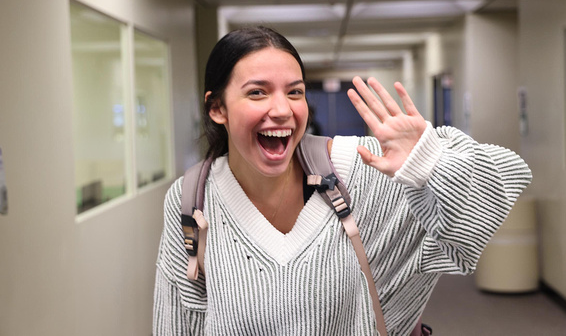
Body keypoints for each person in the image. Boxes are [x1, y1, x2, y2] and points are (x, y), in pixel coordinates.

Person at [153, 26, 532, 335]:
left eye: (295, 92)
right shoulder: (193, 198)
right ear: (217, 107)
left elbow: (503, 177)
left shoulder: (358, 168)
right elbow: (178, 319)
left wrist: (427, 161)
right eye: (257, 92)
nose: (282, 109)